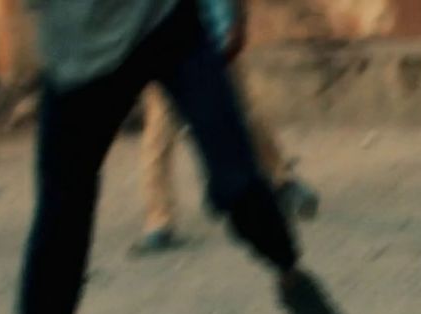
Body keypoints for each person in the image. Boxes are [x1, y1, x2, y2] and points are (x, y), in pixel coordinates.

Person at [0, 0, 352, 314]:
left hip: (165, 22)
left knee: (237, 180)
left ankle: (293, 279)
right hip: (78, 56)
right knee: (62, 214)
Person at [135, 0, 320, 253]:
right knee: (159, 134)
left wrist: (234, 25)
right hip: (164, 44)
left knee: (245, 114)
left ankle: (282, 181)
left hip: (207, 39)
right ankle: (158, 220)